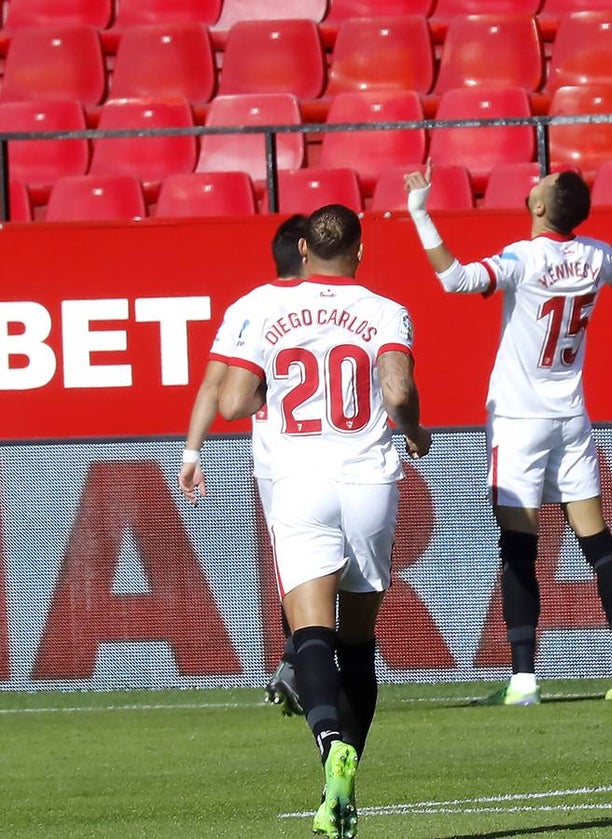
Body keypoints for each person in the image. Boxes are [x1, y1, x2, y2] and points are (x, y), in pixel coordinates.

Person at [403, 162, 612, 705]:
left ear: (542, 207)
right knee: (597, 543)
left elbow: (453, 279)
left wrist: (419, 212)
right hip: (570, 416)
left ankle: (524, 678)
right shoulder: (596, 255)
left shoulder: (523, 259)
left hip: (521, 419)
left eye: (542, 183)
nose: (535, 182)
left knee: (519, 547)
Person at [217, 204, 431, 839]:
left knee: (312, 631)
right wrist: (415, 430)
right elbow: (396, 392)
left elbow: (231, 401)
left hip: (300, 481)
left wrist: (273, 392)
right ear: (360, 253)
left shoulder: (270, 308)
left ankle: (328, 740)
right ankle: (343, 784)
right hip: (368, 478)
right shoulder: (386, 310)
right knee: (359, 643)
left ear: (304, 248)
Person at [178, 214, 309, 715]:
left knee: (298, 566)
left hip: (277, 462)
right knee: (332, 571)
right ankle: (304, 663)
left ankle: (298, 661)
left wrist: (192, 453)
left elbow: (215, 384)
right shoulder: (347, 302)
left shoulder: (248, 308)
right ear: (306, 249)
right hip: (335, 456)